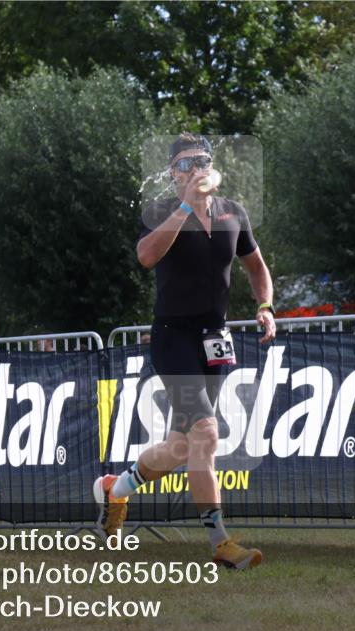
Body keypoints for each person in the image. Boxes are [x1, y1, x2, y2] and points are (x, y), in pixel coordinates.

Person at [94, 133, 277, 569]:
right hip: (173, 338)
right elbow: (145, 256)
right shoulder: (161, 211)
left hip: (214, 338)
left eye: (203, 161)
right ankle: (220, 543)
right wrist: (185, 209)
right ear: (172, 174)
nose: (196, 170)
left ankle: (113, 490)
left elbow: (257, 268)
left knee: (180, 448)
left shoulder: (234, 212)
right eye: (185, 164)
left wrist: (266, 306)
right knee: (207, 435)